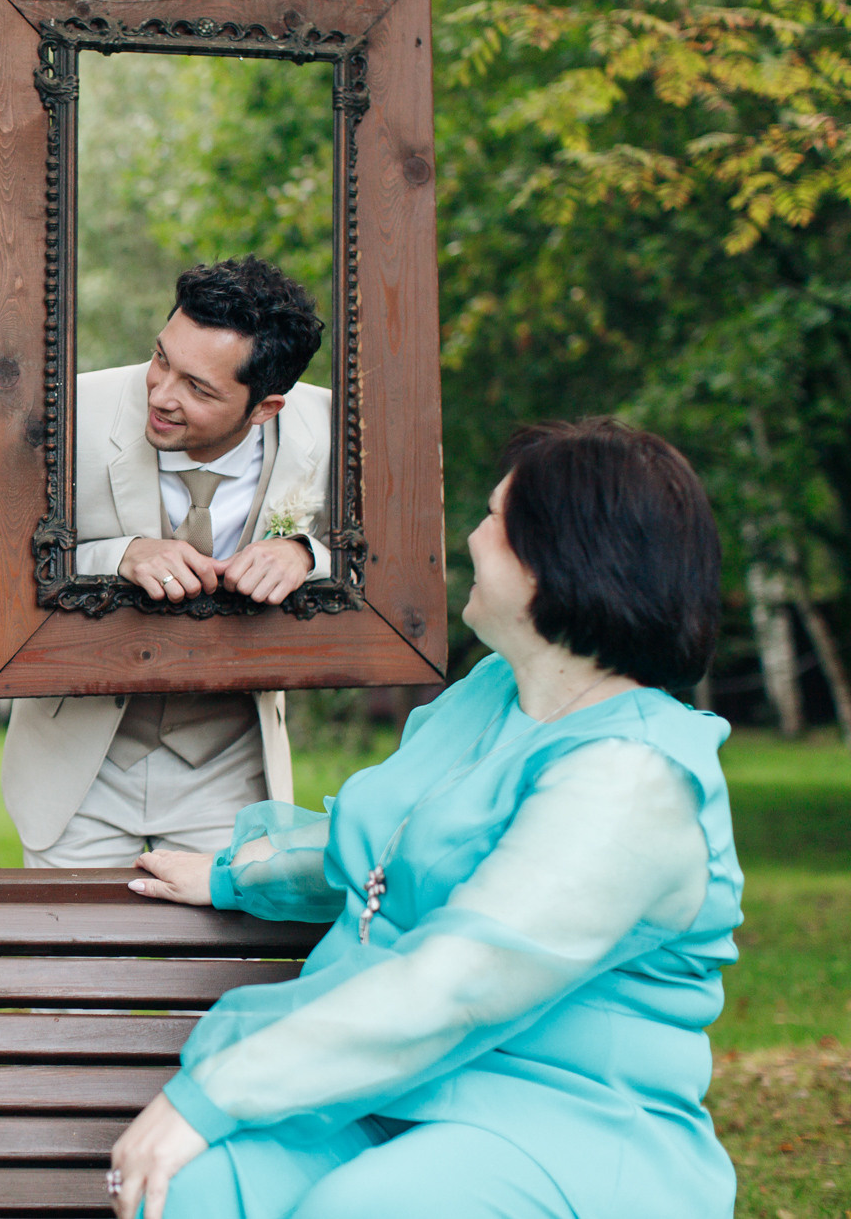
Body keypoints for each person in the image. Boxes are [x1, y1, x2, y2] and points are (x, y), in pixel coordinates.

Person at [110, 419, 740, 1219]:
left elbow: (462, 983)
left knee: (365, 1209)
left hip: (558, 1117)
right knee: (193, 1192)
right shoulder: (491, 693)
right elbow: (382, 845)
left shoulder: (633, 776)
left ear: (564, 564)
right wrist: (238, 871)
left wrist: (210, 1096)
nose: (473, 538)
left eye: (496, 521)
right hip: (390, 1088)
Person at [0, 256, 333, 867]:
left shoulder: (332, 430)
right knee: (71, 960)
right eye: (160, 359)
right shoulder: (65, 414)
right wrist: (117, 555)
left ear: (265, 408)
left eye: (198, 388)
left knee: (224, 964)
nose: (161, 394)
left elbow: (389, 569)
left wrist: (305, 554)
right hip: (79, 764)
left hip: (231, 766)